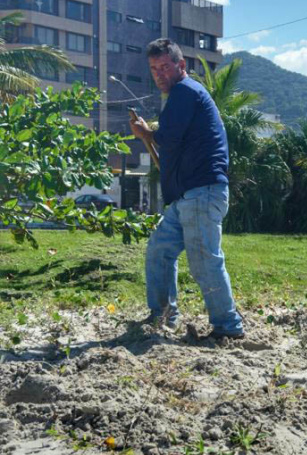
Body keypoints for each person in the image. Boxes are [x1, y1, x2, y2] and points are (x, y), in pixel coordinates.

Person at [129, 39, 245, 340]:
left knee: (205, 259)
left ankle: (227, 326)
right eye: (154, 69)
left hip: (202, 192)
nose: (159, 74)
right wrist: (150, 134)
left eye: (165, 67)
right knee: (159, 251)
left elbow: (166, 139)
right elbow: (172, 142)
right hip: (187, 197)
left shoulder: (185, 92)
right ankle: (163, 315)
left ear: (181, 66)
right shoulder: (180, 97)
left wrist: (145, 133)